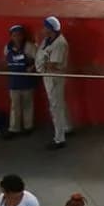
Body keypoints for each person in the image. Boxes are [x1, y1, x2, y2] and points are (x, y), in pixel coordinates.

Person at [36, 15, 71, 150]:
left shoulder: (60, 44)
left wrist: (42, 65)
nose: (43, 29)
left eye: (45, 27)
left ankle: (59, 138)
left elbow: (54, 64)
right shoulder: (47, 40)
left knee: (55, 107)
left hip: (54, 77)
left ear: (51, 29)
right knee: (60, 103)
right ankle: (67, 127)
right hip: (48, 76)